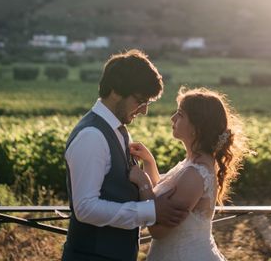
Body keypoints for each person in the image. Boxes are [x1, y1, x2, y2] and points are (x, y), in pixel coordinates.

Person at [62, 50, 189, 261]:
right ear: (115, 91)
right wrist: (150, 210)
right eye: (140, 101)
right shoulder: (92, 136)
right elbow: (85, 208)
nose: (144, 111)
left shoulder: (117, 129)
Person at [128, 87, 249, 261]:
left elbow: (159, 230)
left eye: (180, 114)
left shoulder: (195, 174)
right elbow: (161, 196)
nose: (173, 118)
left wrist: (143, 184)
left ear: (196, 127)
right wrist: (149, 161)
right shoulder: (191, 164)